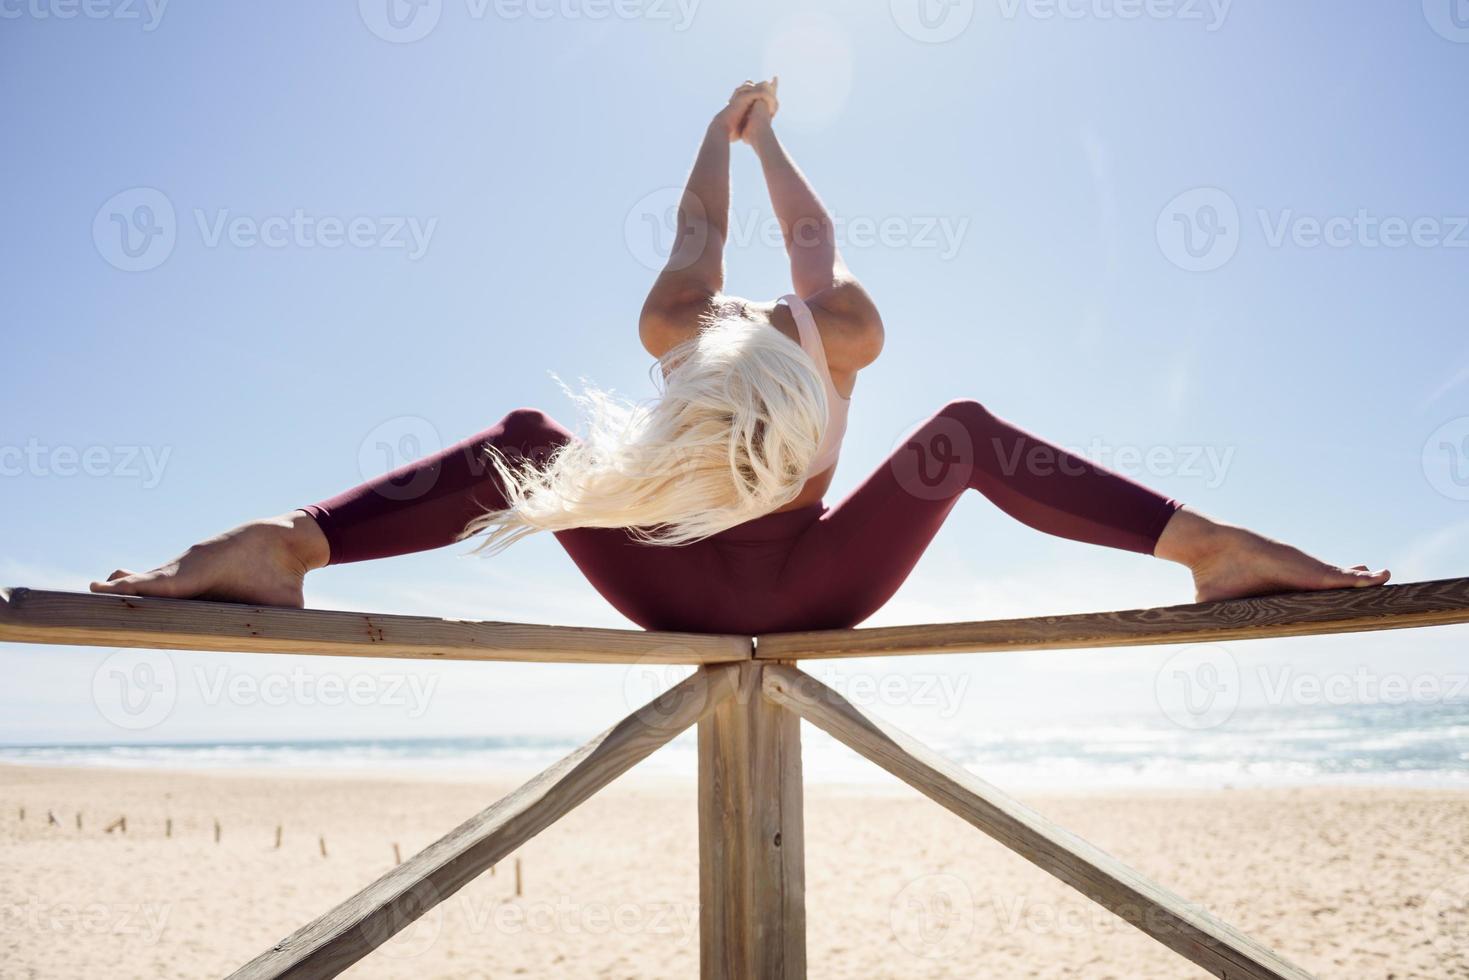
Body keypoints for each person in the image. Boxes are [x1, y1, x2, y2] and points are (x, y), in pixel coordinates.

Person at [92, 80, 1389, 635]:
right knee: (967, 432)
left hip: (672, 589)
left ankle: (290, 545)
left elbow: (695, 230)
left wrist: (717, 128)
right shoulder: (837, 333)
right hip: (825, 580)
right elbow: (802, 236)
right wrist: (771, 139)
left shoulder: (676, 332)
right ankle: (1207, 548)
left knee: (527, 443)